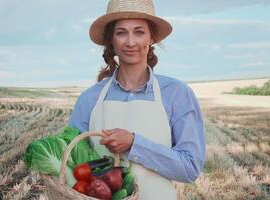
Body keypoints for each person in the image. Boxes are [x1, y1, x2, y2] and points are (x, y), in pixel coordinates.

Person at [69, 0, 206, 199]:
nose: (130, 42)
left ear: (151, 38)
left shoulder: (176, 93)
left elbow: (190, 168)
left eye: (139, 32)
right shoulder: (89, 99)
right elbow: (74, 164)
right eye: (121, 32)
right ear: (111, 40)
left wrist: (135, 144)